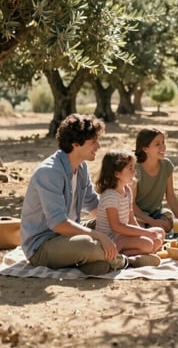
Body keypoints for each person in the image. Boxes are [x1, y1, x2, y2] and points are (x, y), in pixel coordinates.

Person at [21, 113, 127, 276]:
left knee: (112, 225)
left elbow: (94, 205)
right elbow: (58, 224)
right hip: (43, 246)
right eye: (93, 142)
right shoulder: (49, 173)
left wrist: (123, 222)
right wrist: (99, 236)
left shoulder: (81, 167)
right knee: (88, 243)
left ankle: (87, 264)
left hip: (68, 236)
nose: (98, 147)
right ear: (75, 144)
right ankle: (126, 262)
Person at [95, 149, 163, 267]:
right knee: (147, 244)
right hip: (112, 239)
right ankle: (124, 258)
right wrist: (144, 233)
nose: (134, 172)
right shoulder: (110, 195)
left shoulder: (127, 190)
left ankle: (135, 256)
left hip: (123, 235)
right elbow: (116, 227)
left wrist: (141, 234)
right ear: (117, 174)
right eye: (130, 168)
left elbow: (130, 217)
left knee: (159, 233)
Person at [133, 128, 178, 233]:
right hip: (137, 213)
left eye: (163, 143)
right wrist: (152, 221)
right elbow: (131, 204)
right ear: (145, 148)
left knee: (165, 225)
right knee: (142, 229)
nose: (163, 147)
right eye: (157, 144)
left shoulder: (166, 165)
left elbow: (170, 195)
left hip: (156, 213)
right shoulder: (135, 169)